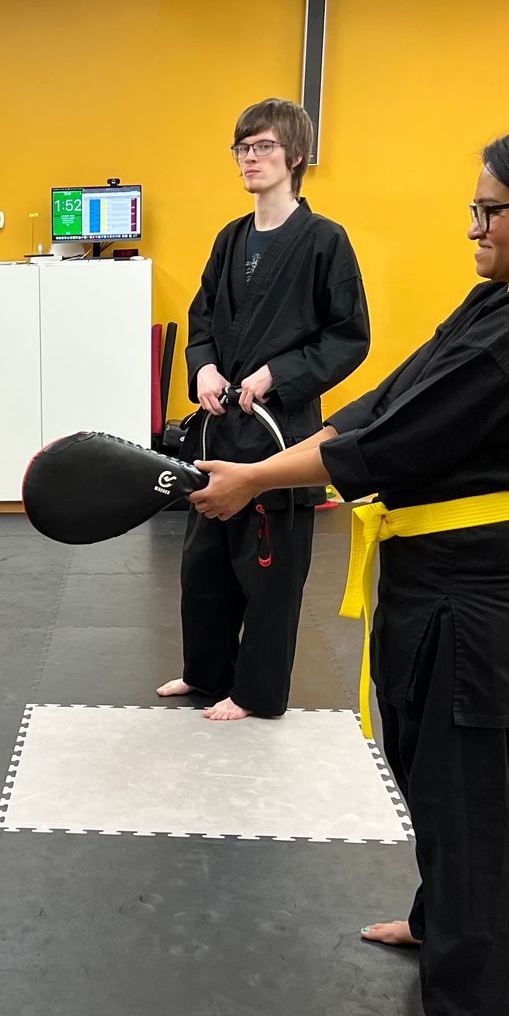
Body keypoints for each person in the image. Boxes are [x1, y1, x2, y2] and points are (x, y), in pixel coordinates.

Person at [189, 123, 509, 1016]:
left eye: (490, 210)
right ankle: (439, 922)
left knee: (469, 794)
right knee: (430, 764)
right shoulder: (501, 299)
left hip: (486, 589)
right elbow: (391, 397)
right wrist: (291, 449)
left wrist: (259, 478)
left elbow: (391, 443)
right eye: (474, 207)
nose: (475, 226)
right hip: (440, 578)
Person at [159, 97, 370, 721]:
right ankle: (205, 675)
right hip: (220, 432)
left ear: (296, 156)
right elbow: (201, 317)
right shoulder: (231, 239)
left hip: (281, 436)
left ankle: (257, 693)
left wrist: (278, 375)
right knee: (203, 567)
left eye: (264, 147)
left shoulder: (326, 241)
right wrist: (203, 367)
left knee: (270, 577)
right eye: (243, 148)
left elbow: (348, 335)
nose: (251, 158)